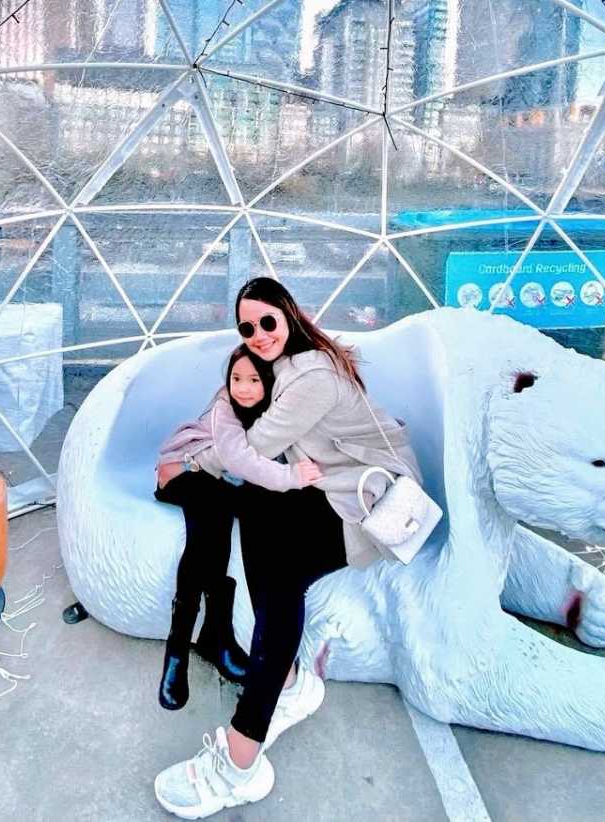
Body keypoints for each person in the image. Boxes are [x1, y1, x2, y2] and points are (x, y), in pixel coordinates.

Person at [154, 277, 423, 819]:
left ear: (289, 314)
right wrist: (209, 440)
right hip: (331, 487)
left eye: (266, 322)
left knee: (277, 581)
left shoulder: (313, 376)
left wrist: (183, 465)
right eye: (246, 327)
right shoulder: (281, 362)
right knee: (255, 509)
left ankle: (240, 760)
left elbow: (249, 448)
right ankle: (292, 682)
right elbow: (230, 408)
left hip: (369, 501)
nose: (257, 335)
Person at [155, 344, 323, 710]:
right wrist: (289, 476)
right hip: (183, 471)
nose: (242, 388)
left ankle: (213, 637)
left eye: (253, 380)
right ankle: (181, 647)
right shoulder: (225, 408)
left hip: (218, 482)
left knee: (225, 509)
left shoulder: (280, 412)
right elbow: (228, 459)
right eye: (235, 379)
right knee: (211, 509)